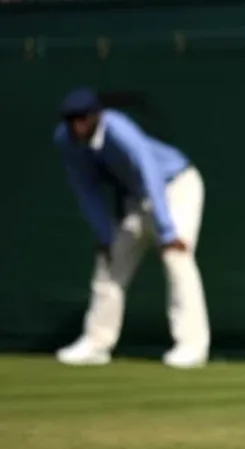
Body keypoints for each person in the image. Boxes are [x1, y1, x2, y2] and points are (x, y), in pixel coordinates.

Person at [53, 87, 211, 369]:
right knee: (109, 263)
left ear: (96, 116)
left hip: (176, 187)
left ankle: (192, 346)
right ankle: (96, 343)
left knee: (176, 257)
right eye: (71, 120)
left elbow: (149, 171)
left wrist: (166, 230)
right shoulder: (65, 140)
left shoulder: (118, 129)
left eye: (83, 118)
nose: (77, 126)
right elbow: (86, 189)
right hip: (137, 199)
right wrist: (104, 233)